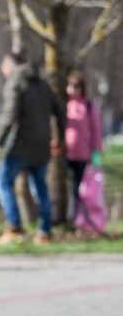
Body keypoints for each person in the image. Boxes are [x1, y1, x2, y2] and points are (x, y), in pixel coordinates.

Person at [0, 52, 66, 245]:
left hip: (20, 145)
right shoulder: (42, 84)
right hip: (42, 146)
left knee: (3, 183)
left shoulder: (15, 83)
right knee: (40, 188)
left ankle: (14, 227)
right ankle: (44, 232)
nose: (2, 70)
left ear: (10, 65)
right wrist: (59, 138)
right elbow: (60, 111)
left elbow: (10, 116)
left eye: (3, 66)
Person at [64, 71, 103, 220]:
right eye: (70, 86)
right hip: (65, 153)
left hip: (82, 155)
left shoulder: (88, 106)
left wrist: (96, 153)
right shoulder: (65, 105)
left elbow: (96, 131)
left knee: (79, 188)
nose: (72, 89)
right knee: (64, 186)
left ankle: (78, 217)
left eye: (76, 86)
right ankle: (68, 214)